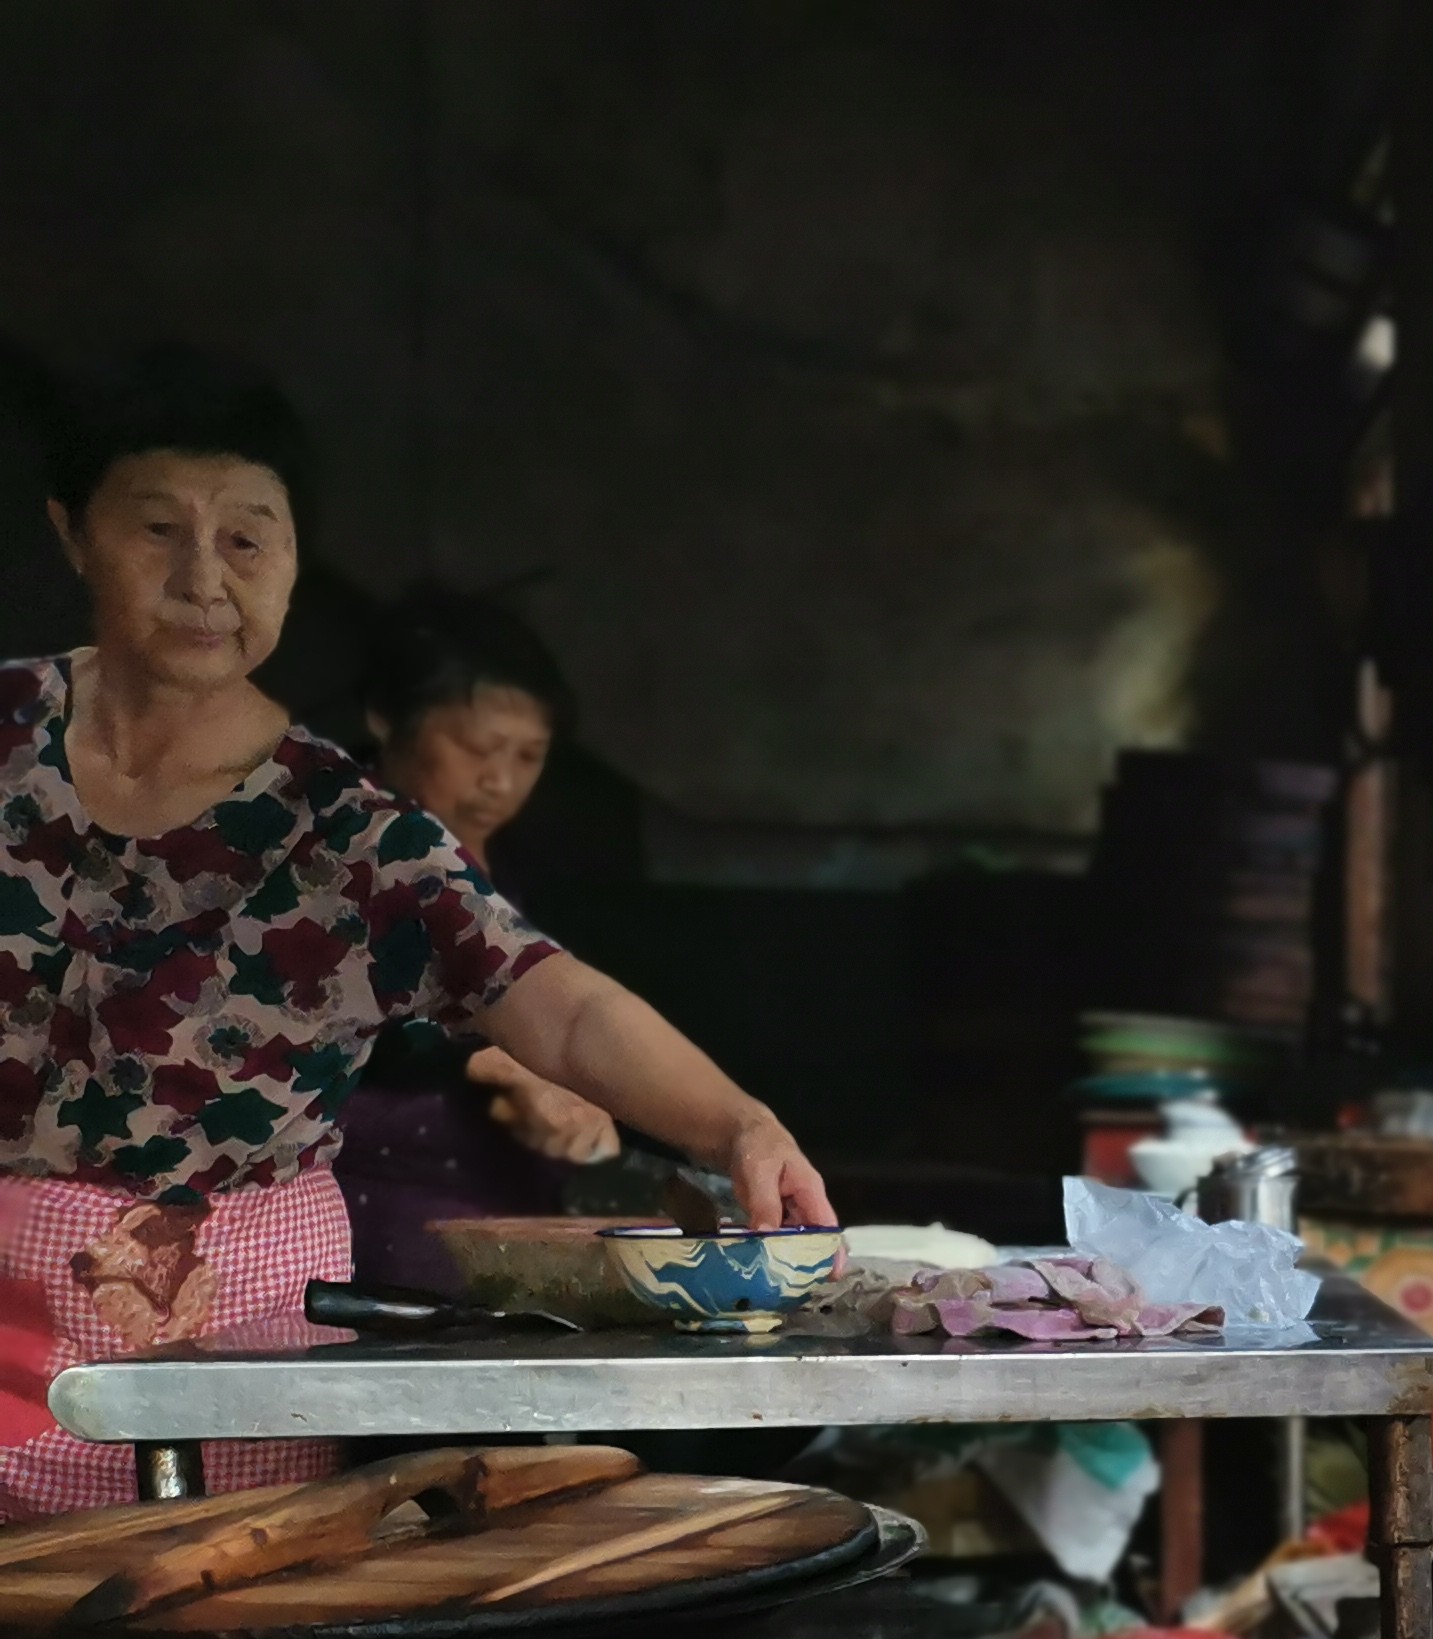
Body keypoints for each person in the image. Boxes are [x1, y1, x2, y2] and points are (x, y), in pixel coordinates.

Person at [0, 350, 829, 1511]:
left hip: (234, 1341)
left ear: (291, 563)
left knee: (211, 1634)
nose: (204, 577)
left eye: (247, 537)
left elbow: (560, 1003)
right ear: (73, 534)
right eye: (156, 530)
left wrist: (738, 1122)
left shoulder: (348, 829)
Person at [334, 588, 621, 1293]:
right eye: (476, 748)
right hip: (378, 1227)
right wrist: (495, 1060)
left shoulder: (524, 866)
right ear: (386, 718)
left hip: (510, 1216)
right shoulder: (328, 843)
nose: (500, 780)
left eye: (529, 755)